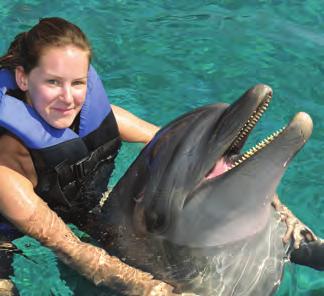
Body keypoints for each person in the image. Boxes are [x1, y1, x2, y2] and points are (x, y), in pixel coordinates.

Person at [0, 17, 177, 295]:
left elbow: (175, 141)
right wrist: (152, 289)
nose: (68, 98)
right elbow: (71, 250)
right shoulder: (5, 166)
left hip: (74, 204)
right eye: (53, 82)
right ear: (23, 78)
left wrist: (231, 164)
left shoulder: (95, 118)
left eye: (78, 82)